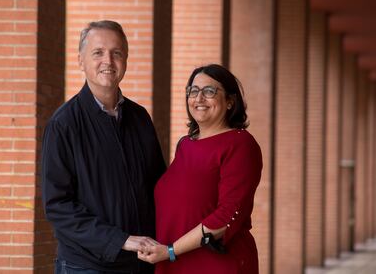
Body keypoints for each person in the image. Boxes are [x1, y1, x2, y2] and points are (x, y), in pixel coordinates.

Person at [41, 20, 166, 274]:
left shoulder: (140, 118)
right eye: (98, 52)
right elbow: (58, 206)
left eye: (116, 53)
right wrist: (120, 240)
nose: (108, 61)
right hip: (86, 266)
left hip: (140, 264)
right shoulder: (63, 124)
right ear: (80, 60)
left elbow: (159, 185)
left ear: (126, 60)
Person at [137, 64, 263, 273]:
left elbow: (227, 215)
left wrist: (170, 250)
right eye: (193, 91)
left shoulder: (241, 145)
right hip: (174, 261)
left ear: (230, 101)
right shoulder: (185, 144)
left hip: (215, 264)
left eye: (209, 91)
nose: (199, 98)